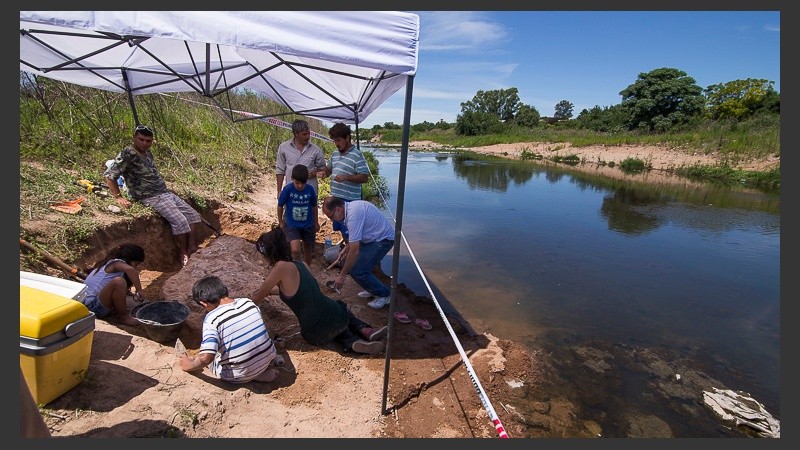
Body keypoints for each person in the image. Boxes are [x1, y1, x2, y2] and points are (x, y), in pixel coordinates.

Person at [253, 226, 388, 355]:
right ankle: (365, 330)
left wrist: (258, 295)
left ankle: (352, 342)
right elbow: (298, 291)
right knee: (340, 313)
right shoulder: (302, 264)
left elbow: (257, 299)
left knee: (330, 329)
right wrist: (271, 291)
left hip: (314, 328)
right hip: (332, 310)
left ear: (270, 253)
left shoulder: (280, 267)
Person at [104, 124, 202, 267]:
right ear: (134, 138)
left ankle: (192, 246)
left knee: (193, 216)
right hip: (149, 196)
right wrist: (118, 197)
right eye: (141, 139)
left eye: (148, 141)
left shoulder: (148, 153)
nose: (144, 143)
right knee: (180, 222)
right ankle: (183, 253)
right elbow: (109, 176)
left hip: (164, 193)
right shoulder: (127, 155)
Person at [178, 275, 280, 383]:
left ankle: (252, 375)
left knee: (214, 354)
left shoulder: (212, 319)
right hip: (267, 360)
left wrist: (188, 365)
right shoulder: (248, 303)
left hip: (238, 375)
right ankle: (259, 372)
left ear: (204, 303)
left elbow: (205, 358)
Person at [321, 196, 395, 309]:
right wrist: (346, 249)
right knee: (356, 266)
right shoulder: (348, 210)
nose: (332, 220)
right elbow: (355, 236)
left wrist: (341, 276)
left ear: (338, 209)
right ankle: (372, 288)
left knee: (358, 270)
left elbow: (355, 250)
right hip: (371, 237)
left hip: (383, 240)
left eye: (331, 216)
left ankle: (385, 295)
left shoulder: (352, 216)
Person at [82, 243, 146, 326]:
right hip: (92, 307)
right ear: (128, 259)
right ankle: (124, 317)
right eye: (136, 264)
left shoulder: (108, 263)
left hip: (90, 304)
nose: (136, 267)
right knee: (119, 282)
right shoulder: (115, 263)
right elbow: (130, 270)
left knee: (121, 284)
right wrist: (139, 290)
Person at [277, 164, 319, 266]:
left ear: (307, 181)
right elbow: (280, 206)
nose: (300, 186)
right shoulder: (288, 190)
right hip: (292, 225)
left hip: (308, 224)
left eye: (303, 183)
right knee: (295, 250)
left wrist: (316, 222)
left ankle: (306, 269)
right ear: (292, 179)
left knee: (307, 248)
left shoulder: (310, 190)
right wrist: (281, 222)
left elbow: (314, 207)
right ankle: (296, 267)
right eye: (297, 183)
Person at [275, 119, 327, 196]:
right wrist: (279, 191)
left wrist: (314, 173)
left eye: (309, 133)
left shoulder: (316, 150)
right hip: (291, 192)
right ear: (296, 134)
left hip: (309, 192)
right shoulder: (283, 147)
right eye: (304, 134)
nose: (308, 137)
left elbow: (323, 169)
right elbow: (280, 170)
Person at [323, 122, 369, 201]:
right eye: (334, 141)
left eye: (338, 140)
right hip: (335, 198)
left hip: (351, 200)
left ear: (347, 138)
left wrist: (346, 177)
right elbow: (328, 171)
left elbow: (364, 178)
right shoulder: (335, 153)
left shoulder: (357, 155)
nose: (336, 144)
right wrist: (323, 173)